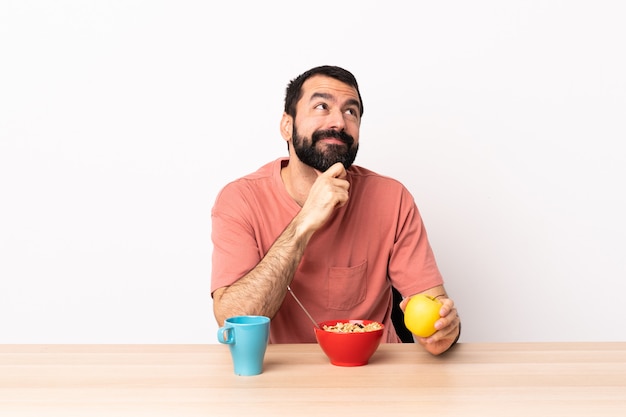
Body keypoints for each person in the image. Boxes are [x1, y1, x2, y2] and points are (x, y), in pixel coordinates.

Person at [211, 65, 461, 355]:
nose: (339, 122)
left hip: (377, 375)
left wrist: (445, 331)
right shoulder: (240, 199)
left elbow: (434, 310)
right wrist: (304, 223)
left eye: (350, 112)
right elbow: (232, 320)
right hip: (283, 381)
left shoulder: (392, 198)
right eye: (321, 106)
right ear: (287, 126)